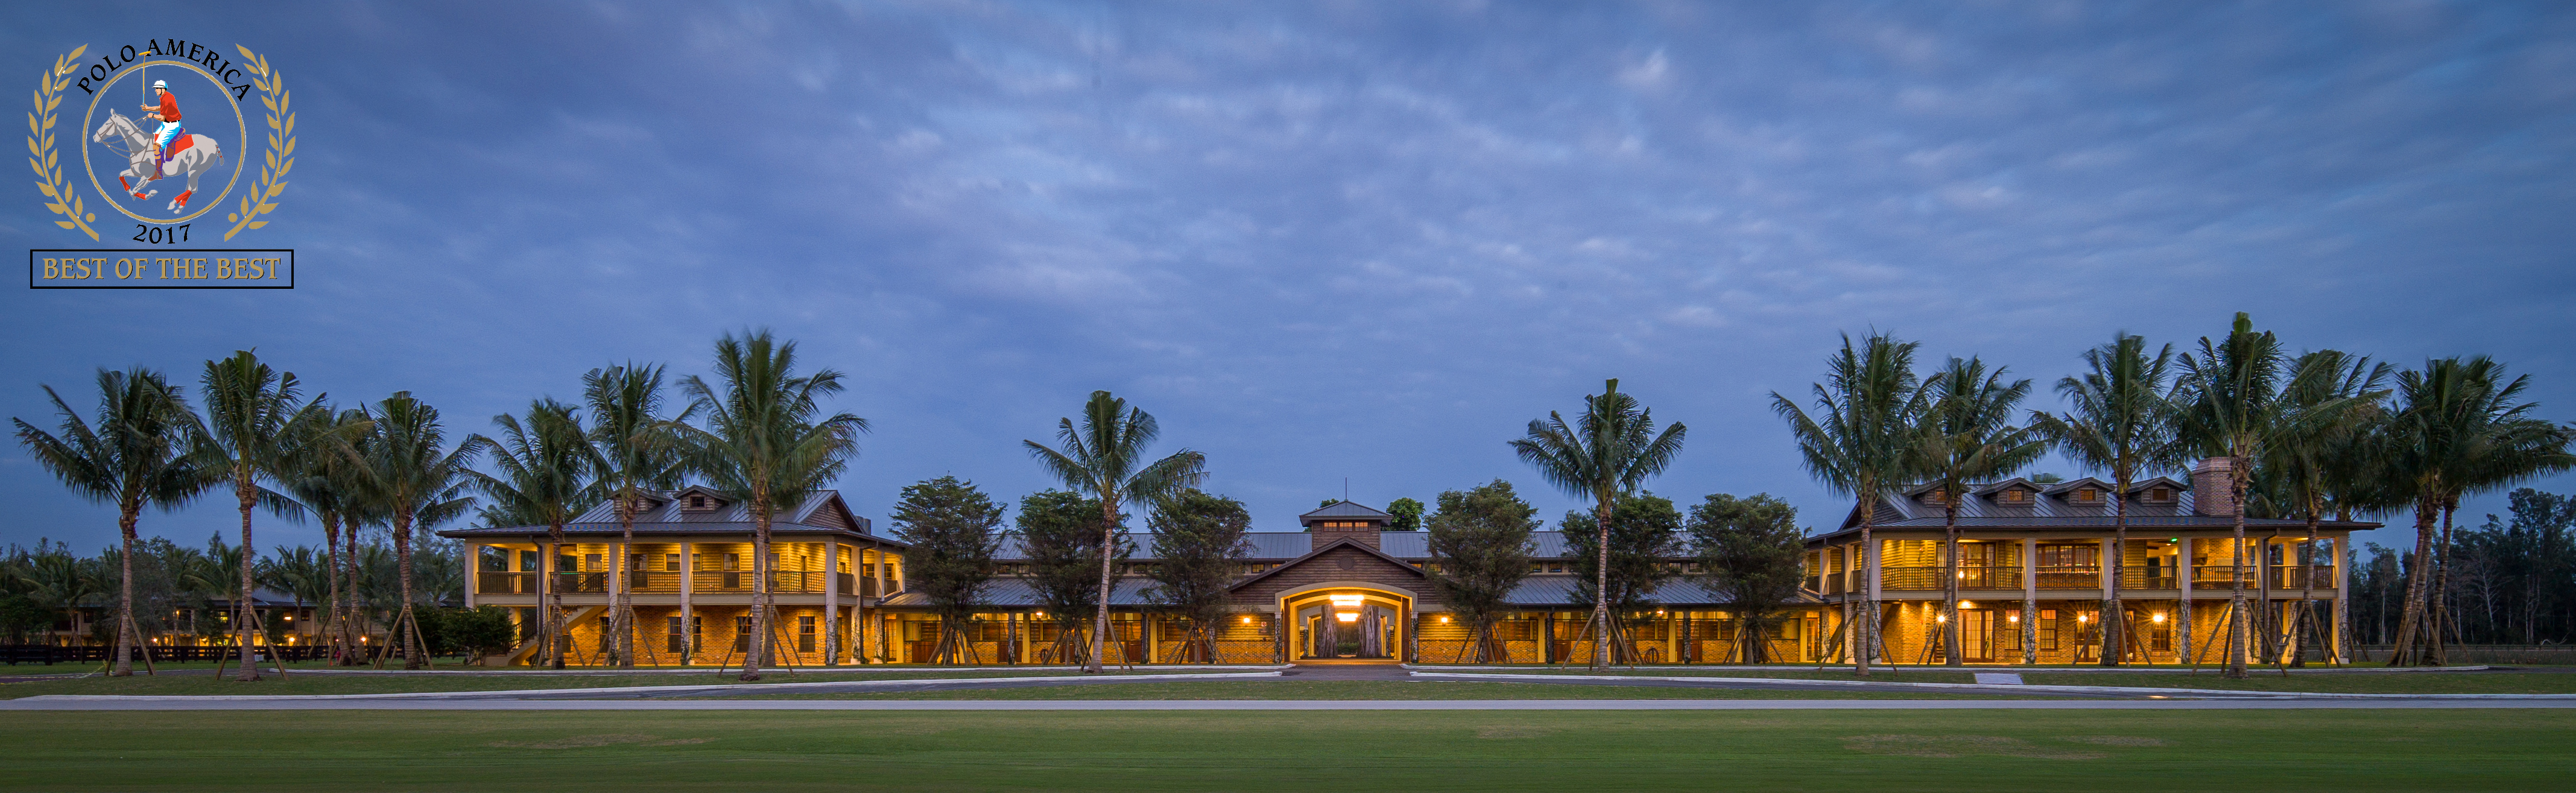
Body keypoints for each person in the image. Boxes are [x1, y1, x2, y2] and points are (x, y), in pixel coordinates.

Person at [140, 80, 182, 179]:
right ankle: (161, 158)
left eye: (157, 88)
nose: (155, 90)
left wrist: (152, 115)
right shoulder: (165, 97)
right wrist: (148, 108)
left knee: (156, 147)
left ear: (163, 89)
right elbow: (160, 108)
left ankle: (158, 173)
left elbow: (162, 117)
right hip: (166, 124)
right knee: (154, 137)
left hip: (172, 125)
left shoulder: (167, 98)